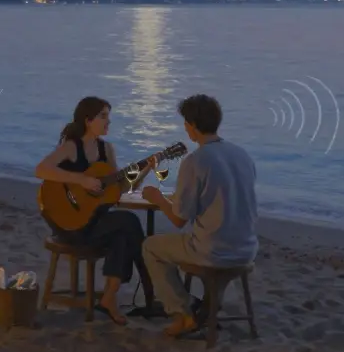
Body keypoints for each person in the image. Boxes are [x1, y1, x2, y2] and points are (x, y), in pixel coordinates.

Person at [142, 94, 258, 337]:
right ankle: (208, 307)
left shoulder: (195, 160)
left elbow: (178, 220)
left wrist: (158, 199)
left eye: (186, 123)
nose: (185, 128)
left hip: (214, 250)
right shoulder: (242, 155)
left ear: (192, 125)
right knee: (210, 238)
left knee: (151, 247)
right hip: (247, 248)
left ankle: (183, 314)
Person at [35, 96, 154, 325]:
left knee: (122, 234)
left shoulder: (106, 150)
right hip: (67, 223)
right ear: (88, 120)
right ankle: (148, 279)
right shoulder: (71, 147)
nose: (108, 122)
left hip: (92, 220)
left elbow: (121, 187)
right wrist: (80, 180)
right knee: (129, 222)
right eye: (104, 116)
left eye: (109, 116)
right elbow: (41, 170)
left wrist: (146, 168)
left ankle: (110, 297)